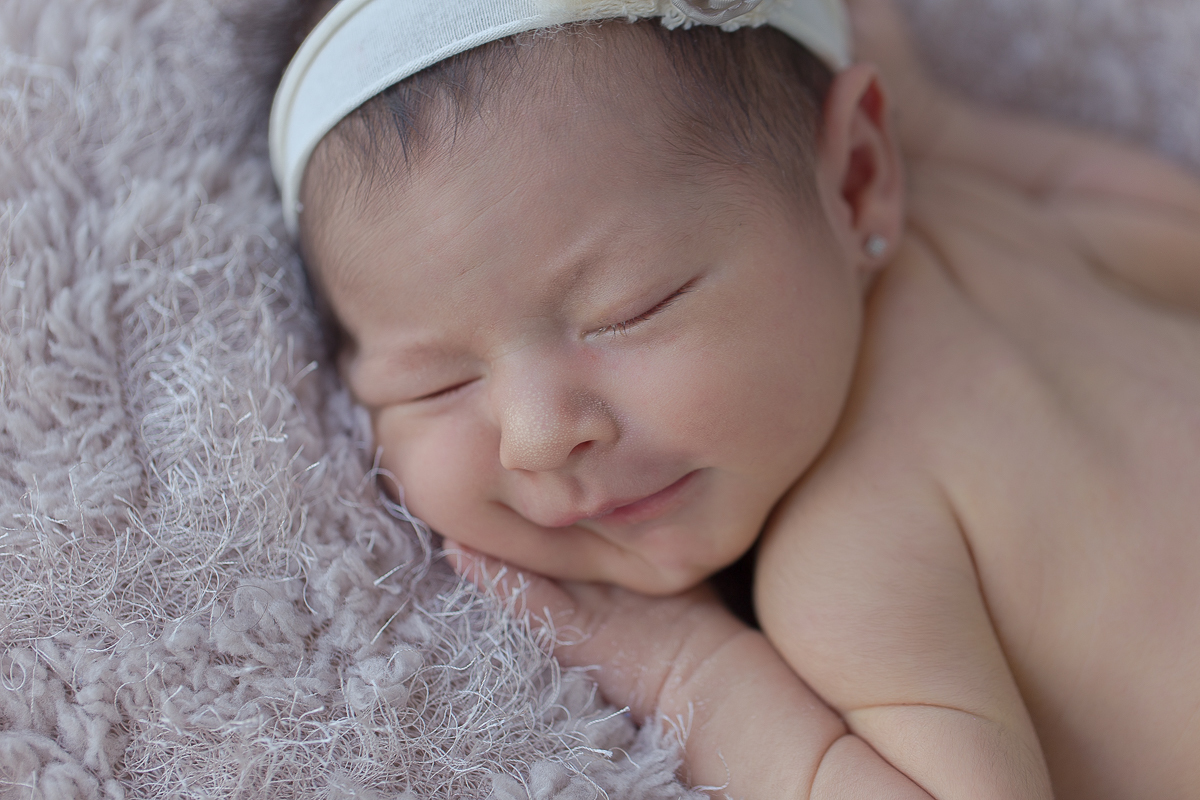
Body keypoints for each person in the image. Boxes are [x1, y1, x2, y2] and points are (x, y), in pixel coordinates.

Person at [269, 0, 1200, 796]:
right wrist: (939, 127)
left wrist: (690, 671)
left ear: (859, 176)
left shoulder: (857, 554)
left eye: (629, 310)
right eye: (436, 380)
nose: (540, 435)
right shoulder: (1017, 231)